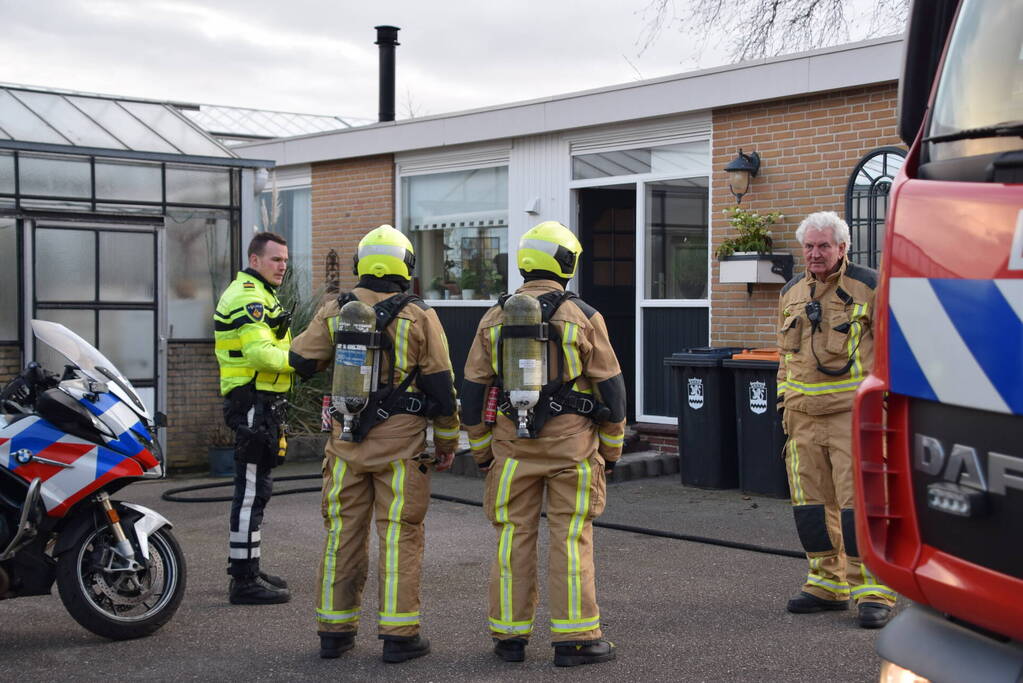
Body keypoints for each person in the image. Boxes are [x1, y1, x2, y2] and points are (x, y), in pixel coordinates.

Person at [289, 225, 460, 663]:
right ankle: (400, 637)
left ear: (359, 264)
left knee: (342, 533)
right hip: (401, 447)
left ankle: (334, 633)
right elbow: (441, 388)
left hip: (346, 442)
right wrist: (446, 439)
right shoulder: (420, 316)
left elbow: (300, 360)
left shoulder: (336, 309)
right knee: (400, 535)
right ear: (406, 266)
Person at [461, 221, 626, 667]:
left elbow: (473, 392)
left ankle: (509, 638)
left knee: (512, 537)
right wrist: (611, 451)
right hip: (572, 449)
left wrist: (482, 451)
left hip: (512, 450)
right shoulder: (584, 316)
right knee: (571, 538)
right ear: (567, 262)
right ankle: (576, 640)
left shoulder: (494, 317)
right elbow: (612, 391)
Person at [777, 211, 897, 628]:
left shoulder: (870, 286)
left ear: (843, 247)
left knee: (859, 507)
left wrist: (884, 409)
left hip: (854, 418)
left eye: (824, 246)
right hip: (802, 419)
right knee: (810, 506)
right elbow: (785, 357)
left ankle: (874, 590)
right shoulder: (791, 292)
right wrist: (783, 402)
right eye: (809, 246)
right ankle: (826, 583)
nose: (815, 253)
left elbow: (893, 351)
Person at [213, 231, 295, 605]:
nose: (283, 266)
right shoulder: (249, 297)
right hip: (251, 401)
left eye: (285, 260)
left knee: (257, 489)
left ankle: (249, 566)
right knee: (250, 492)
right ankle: (244, 580)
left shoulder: (262, 293)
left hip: (261, 402)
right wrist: (301, 362)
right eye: (276, 259)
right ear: (255, 259)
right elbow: (261, 355)